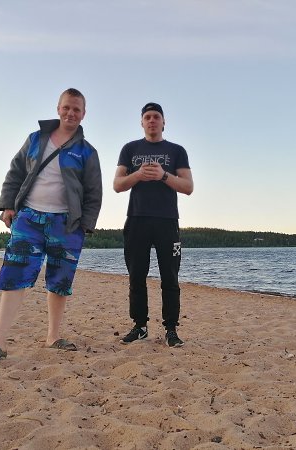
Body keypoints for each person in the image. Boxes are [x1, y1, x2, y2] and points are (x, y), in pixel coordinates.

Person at [0, 88, 102, 363]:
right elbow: (15, 172)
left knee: (60, 281)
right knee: (14, 274)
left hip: (66, 224)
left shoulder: (87, 151)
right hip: (29, 218)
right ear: (58, 108)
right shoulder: (36, 139)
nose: (70, 113)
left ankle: (53, 337)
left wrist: (84, 227)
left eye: (76, 109)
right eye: (66, 107)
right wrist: (8, 205)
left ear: (83, 114)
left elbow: (94, 192)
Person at [113, 102, 194, 348]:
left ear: (163, 122)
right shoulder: (130, 149)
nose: (151, 120)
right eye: (147, 117)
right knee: (136, 276)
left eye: (156, 117)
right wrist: (138, 175)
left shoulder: (176, 150)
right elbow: (117, 185)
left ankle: (171, 329)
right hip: (137, 219)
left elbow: (188, 187)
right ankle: (140, 326)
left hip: (167, 221)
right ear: (141, 122)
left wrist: (163, 175)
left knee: (170, 277)